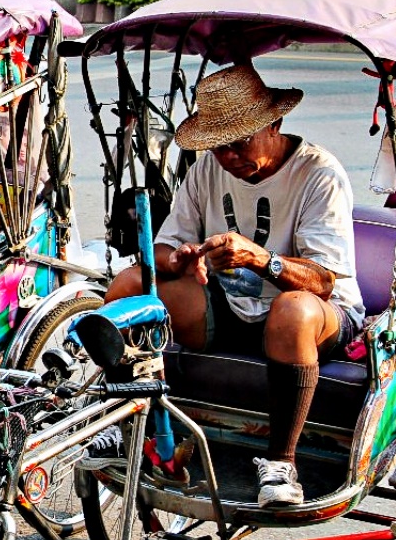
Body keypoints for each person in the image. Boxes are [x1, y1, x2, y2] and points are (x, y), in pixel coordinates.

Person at [102, 63, 364, 507]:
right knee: (130, 282)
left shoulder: (318, 173)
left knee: (292, 310)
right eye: (219, 148)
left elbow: (323, 279)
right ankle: (119, 416)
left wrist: (260, 259)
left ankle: (281, 463)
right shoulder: (208, 169)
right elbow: (164, 245)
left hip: (316, 316)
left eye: (240, 143)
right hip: (227, 306)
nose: (229, 158)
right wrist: (180, 258)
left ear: (274, 123)